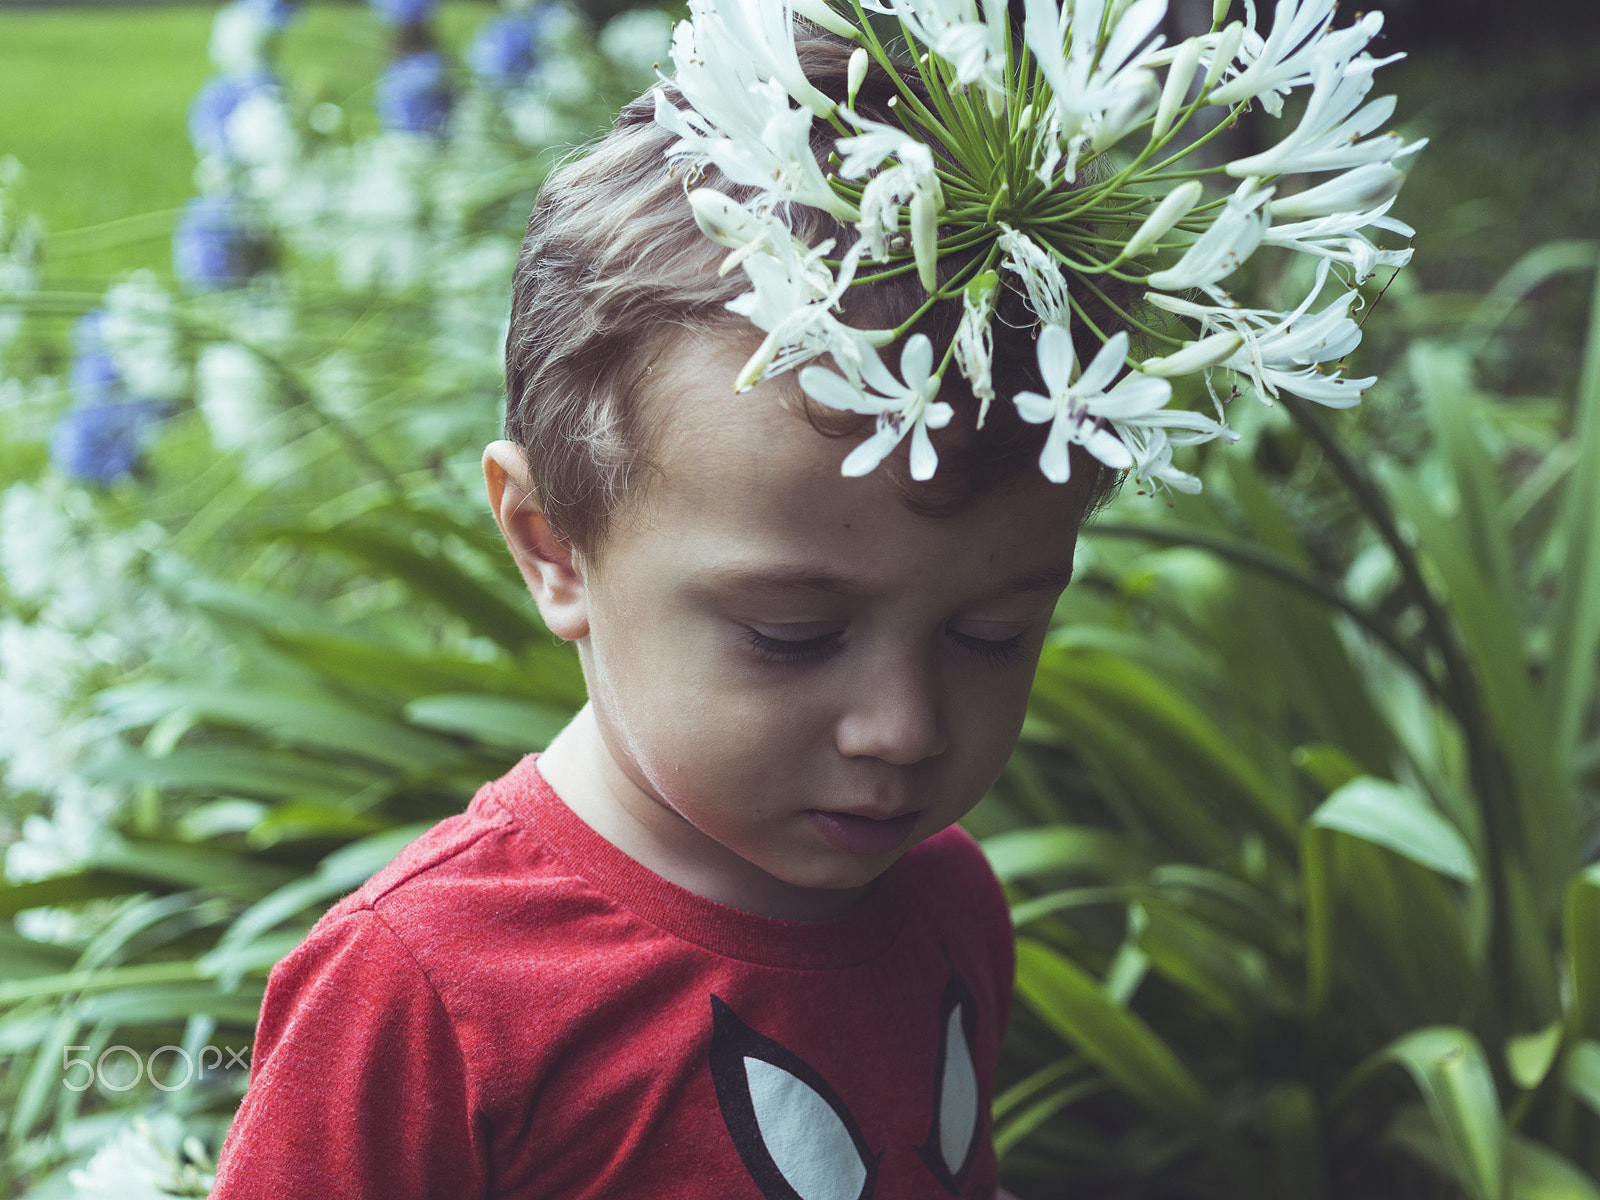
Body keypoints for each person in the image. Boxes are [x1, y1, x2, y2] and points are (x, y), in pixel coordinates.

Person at [213, 0, 1417, 1181]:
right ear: (551, 546)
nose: (903, 726)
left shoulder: (946, 899)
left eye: (992, 634)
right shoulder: (425, 991)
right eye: (791, 634)